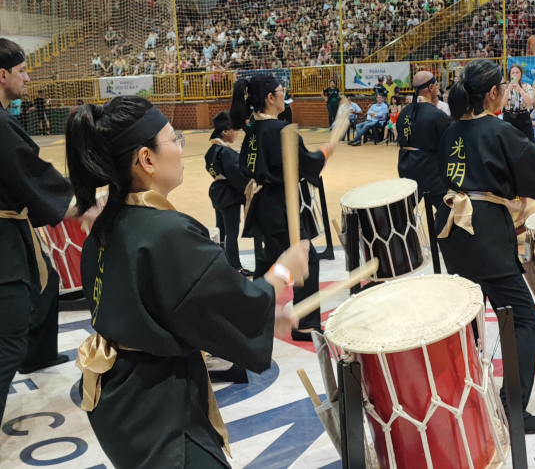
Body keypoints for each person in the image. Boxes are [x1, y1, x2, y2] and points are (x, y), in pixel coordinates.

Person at [66, 96, 305, 468]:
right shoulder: (165, 232)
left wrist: (264, 318)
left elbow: (172, 307)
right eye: (173, 139)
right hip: (161, 414)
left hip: (120, 402)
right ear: (146, 159)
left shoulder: (107, 224)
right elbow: (229, 297)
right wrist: (283, 272)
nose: (180, 147)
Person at [435, 58, 535, 434]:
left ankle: (467, 399)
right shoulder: (499, 131)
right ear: (492, 93)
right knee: (523, 319)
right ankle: (512, 410)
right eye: (502, 86)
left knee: (469, 318)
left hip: (454, 229)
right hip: (483, 232)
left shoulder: (451, 131)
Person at [0, 38, 87, 423]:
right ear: (3, 75)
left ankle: (40, 354)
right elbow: (31, 173)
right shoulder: (2, 125)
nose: (27, 78)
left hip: (13, 232)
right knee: (9, 340)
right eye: (21, 71)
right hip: (3, 244)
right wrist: (85, 206)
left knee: (46, 280)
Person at [231, 75, 335, 340]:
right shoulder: (280, 130)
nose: (284, 94)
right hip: (279, 203)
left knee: (268, 261)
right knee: (305, 257)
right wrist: (325, 152)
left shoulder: (253, 129)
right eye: (281, 90)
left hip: (263, 202)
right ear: (270, 98)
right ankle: (306, 324)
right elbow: (305, 164)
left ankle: (255, 317)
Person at [397, 71, 453, 212]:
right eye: (436, 85)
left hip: (406, 167)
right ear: (430, 88)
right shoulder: (437, 115)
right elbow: (448, 145)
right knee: (445, 212)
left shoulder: (403, 113)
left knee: (405, 213)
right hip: (430, 171)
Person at [205, 111, 250, 275]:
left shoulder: (212, 150)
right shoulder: (226, 153)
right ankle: (235, 268)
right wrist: (249, 191)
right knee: (231, 233)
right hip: (228, 195)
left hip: (219, 193)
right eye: (234, 130)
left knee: (221, 232)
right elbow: (237, 176)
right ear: (225, 131)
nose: (236, 133)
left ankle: (223, 265)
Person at [501, 64, 535, 143]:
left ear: (521, 74)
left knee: (529, 142)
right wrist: (507, 91)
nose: (515, 74)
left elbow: (530, 102)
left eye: (517, 72)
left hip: (523, 117)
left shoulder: (527, 86)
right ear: (510, 75)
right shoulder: (505, 86)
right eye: (513, 73)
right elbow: (503, 104)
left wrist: (520, 90)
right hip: (509, 117)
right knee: (509, 143)